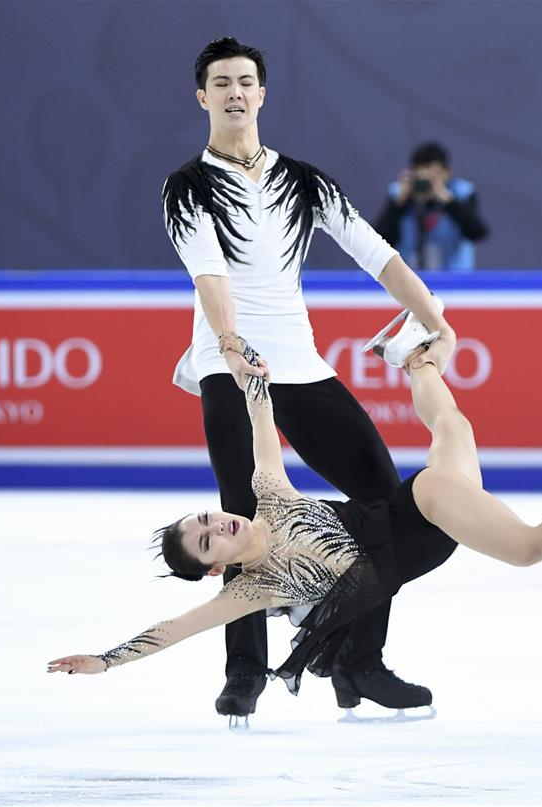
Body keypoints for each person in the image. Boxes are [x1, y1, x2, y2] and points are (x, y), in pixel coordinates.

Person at [48, 316, 542, 708]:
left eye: (203, 518)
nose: (214, 524)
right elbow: (177, 628)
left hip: (420, 514)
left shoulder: (267, 492)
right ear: (214, 568)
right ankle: (412, 357)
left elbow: (261, 413)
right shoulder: (255, 588)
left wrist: (230, 363)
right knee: (454, 431)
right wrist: (106, 662)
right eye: (206, 541)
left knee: (528, 547)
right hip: (425, 540)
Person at [160, 36, 458, 721]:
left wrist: (434, 318)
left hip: (300, 363)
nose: (235, 92)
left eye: (245, 81)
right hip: (227, 364)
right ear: (202, 96)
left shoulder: (306, 182)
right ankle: (246, 673)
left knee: (386, 500)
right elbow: (209, 273)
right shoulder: (186, 187)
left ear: (262, 94)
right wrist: (232, 348)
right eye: (221, 83)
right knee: (241, 513)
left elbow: (375, 254)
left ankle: (357, 662)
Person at [374, 142, 489, 272]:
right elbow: (379, 240)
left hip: (455, 280)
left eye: (435, 175)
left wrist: (448, 201)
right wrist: (399, 205)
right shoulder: (398, 194)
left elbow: (478, 232)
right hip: (410, 279)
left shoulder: (462, 193)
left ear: (448, 172)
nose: (429, 182)